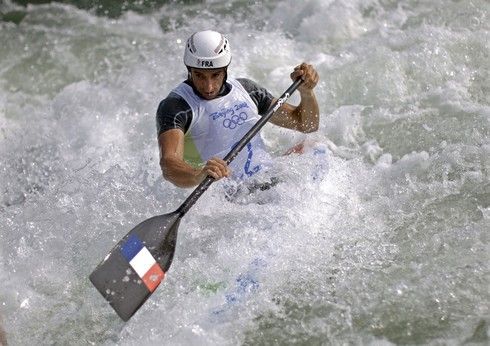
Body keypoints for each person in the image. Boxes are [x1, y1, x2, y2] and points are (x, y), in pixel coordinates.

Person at [156, 30, 320, 189]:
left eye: (216, 75)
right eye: (199, 75)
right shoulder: (176, 107)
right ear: (189, 70)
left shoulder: (248, 90)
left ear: (226, 69)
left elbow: (306, 125)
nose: (209, 87)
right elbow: (169, 164)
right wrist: (198, 174)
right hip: (229, 197)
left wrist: (306, 93)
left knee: (316, 147)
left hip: (267, 180)